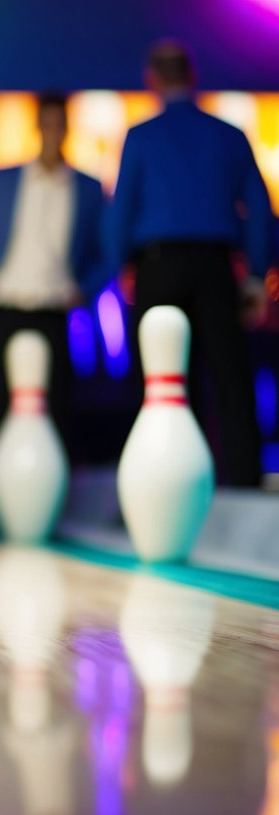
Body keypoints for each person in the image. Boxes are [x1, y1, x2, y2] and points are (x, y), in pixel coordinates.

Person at [105, 41, 274, 487]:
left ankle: (167, 483)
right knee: (231, 378)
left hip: (158, 268)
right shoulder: (228, 135)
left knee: (164, 377)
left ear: (152, 81)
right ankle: (244, 482)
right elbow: (259, 208)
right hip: (217, 267)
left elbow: (121, 212)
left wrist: (121, 264)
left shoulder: (141, 136)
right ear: (193, 78)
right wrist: (257, 274)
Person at [0, 92, 107, 444]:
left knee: (55, 411)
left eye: (60, 124)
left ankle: (50, 490)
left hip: (53, 313)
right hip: (2, 310)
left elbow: (106, 254)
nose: (54, 131)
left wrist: (85, 290)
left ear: (68, 129)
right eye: (48, 123)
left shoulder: (88, 188)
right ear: (37, 126)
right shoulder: (3, 180)